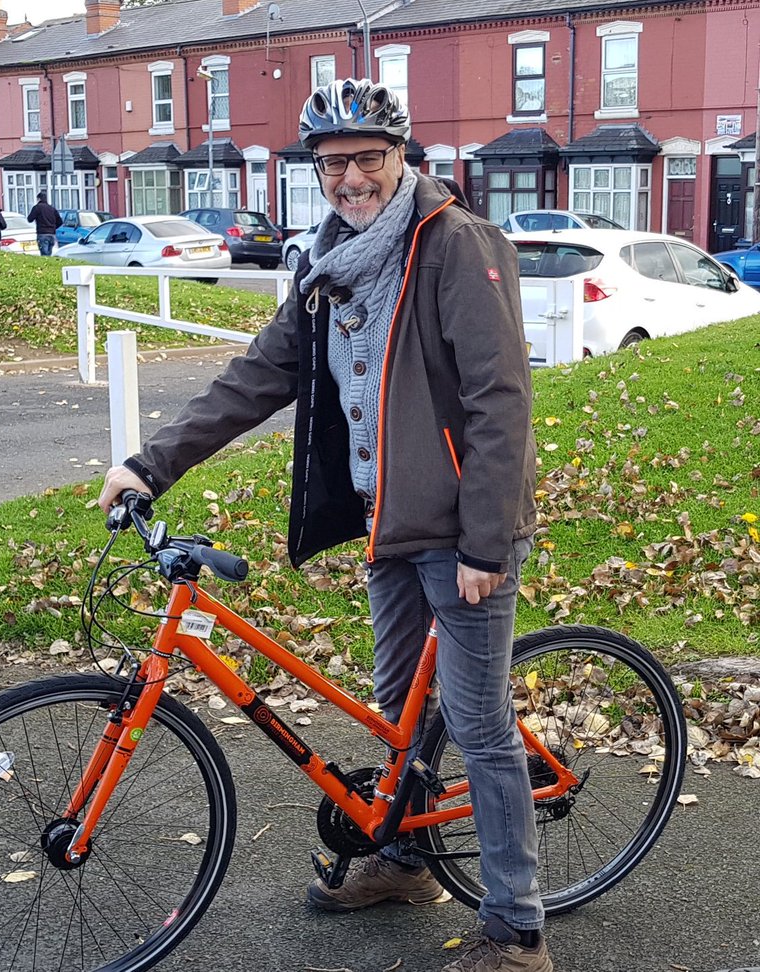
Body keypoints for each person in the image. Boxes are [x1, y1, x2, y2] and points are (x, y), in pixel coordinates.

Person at [98, 78, 546, 972]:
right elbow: (258, 375)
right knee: (399, 717)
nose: (350, 178)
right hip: (391, 525)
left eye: (366, 159)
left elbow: (502, 400)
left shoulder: (454, 245)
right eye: (332, 163)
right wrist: (151, 463)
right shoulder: (327, 264)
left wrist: (488, 543)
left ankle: (517, 928)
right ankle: (406, 860)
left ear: (401, 157)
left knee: (480, 723)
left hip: (463, 537)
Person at [26, 190, 61, 255]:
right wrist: (53, 227)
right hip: (52, 234)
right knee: (49, 253)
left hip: (42, 233)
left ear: (39, 199)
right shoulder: (52, 209)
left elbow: (29, 219)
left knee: (44, 254)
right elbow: (60, 221)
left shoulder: (37, 208)